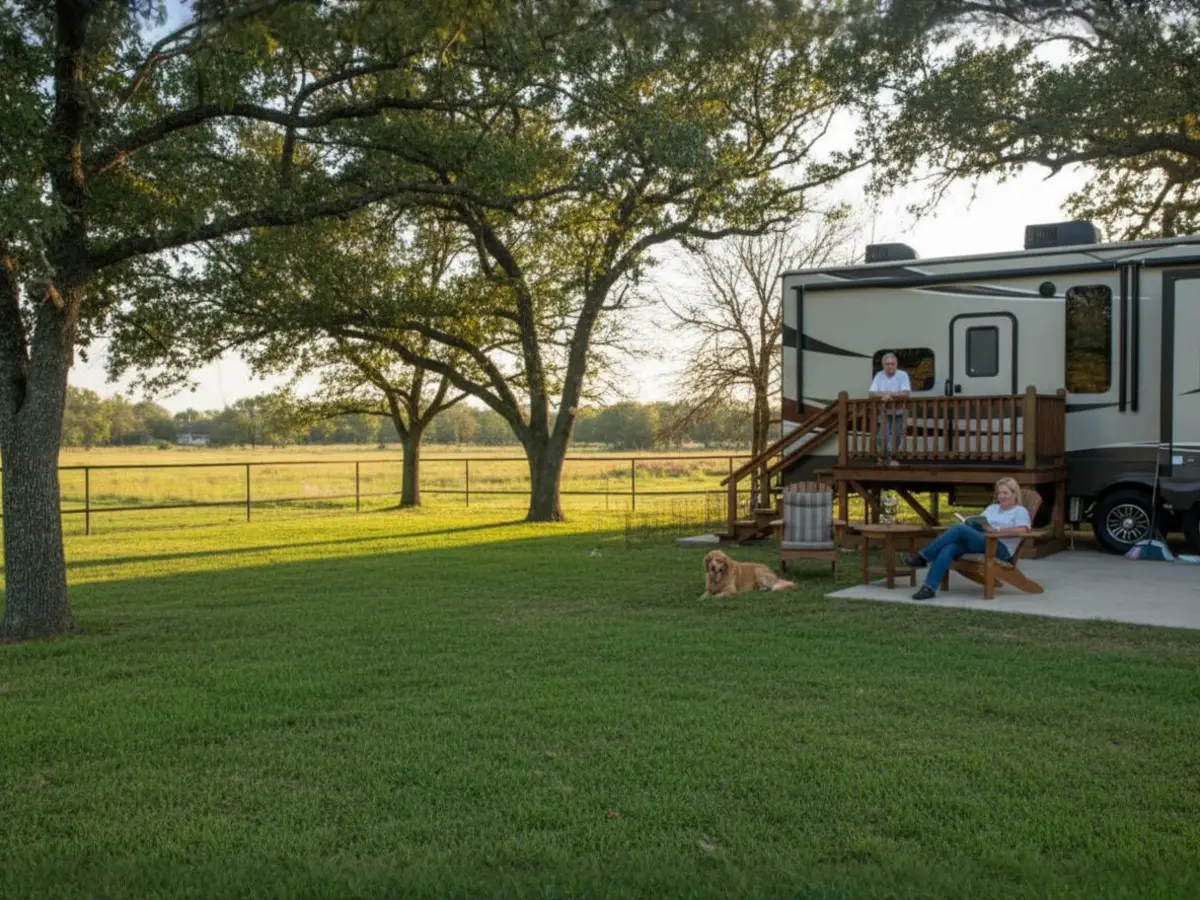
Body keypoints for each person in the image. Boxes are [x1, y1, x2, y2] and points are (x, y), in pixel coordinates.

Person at [904, 477, 1031, 601]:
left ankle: (924, 557)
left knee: (959, 529)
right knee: (949, 548)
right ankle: (929, 588)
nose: (1002, 496)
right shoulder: (992, 508)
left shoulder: (1019, 511)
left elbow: (1023, 530)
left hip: (1000, 548)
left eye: (1005, 493)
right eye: (999, 493)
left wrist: (997, 531)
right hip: (982, 542)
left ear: (1015, 494)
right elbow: (980, 522)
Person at [868, 352, 910, 467]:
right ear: (883, 365)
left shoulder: (902, 375)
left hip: (900, 411)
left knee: (897, 435)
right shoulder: (879, 375)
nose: (890, 366)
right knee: (882, 435)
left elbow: (906, 393)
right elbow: (871, 393)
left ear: (896, 364)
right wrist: (884, 395)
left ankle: (893, 457)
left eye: (892, 363)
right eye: (887, 364)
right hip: (884, 411)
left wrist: (889, 395)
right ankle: (883, 458)